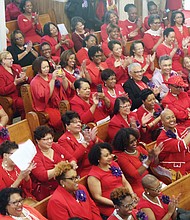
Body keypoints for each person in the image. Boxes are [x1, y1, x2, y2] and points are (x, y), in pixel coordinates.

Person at [87, 142, 135, 219]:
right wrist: (117, 204)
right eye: (106, 156)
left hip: (126, 201)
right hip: (110, 206)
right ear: (98, 159)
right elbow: (97, 197)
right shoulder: (93, 175)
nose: (110, 157)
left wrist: (132, 195)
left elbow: (124, 181)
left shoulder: (114, 164)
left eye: (110, 154)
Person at [31, 125, 77, 201]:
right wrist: (61, 167)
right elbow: (43, 176)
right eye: (45, 139)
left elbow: (71, 158)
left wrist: (73, 164)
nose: (49, 141)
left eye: (51, 138)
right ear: (37, 140)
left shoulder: (55, 146)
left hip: (65, 183)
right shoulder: (34, 155)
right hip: (48, 190)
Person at [112, 128, 161, 197]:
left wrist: (155, 156)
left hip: (150, 180)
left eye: (135, 140)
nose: (135, 143)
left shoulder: (140, 148)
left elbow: (154, 164)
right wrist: (149, 160)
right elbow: (135, 175)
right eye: (131, 142)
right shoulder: (122, 157)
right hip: (139, 186)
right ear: (124, 144)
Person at [31, 56, 71, 131]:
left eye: (47, 67)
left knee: (73, 114)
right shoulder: (35, 82)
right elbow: (46, 96)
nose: (46, 69)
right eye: (44, 68)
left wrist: (64, 78)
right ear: (38, 69)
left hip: (59, 103)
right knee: (62, 120)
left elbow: (65, 89)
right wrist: (52, 80)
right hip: (46, 107)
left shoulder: (50, 75)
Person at [58, 111, 101, 177]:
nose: (79, 124)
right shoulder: (63, 140)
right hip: (83, 170)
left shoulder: (85, 132)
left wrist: (94, 139)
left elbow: (104, 148)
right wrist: (84, 144)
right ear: (67, 125)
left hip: (96, 164)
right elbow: (72, 158)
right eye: (75, 122)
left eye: (79, 122)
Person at [156, 109, 190, 175]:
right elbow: (181, 145)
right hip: (175, 168)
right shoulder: (162, 138)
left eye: (173, 117)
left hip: (186, 160)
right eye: (168, 118)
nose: (172, 120)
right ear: (162, 121)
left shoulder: (180, 128)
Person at [0, 51, 30, 119]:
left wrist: (25, 78)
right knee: (25, 103)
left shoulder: (17, 67)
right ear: (3, 60)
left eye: (12, 58)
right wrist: (15, 83)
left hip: (22, 93)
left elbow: (26, 80)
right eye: (10, 59)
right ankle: (25, 123)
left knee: (32, 99)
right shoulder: (0, 72)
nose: (12, 60)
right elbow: (2, 90)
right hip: (11, 98)